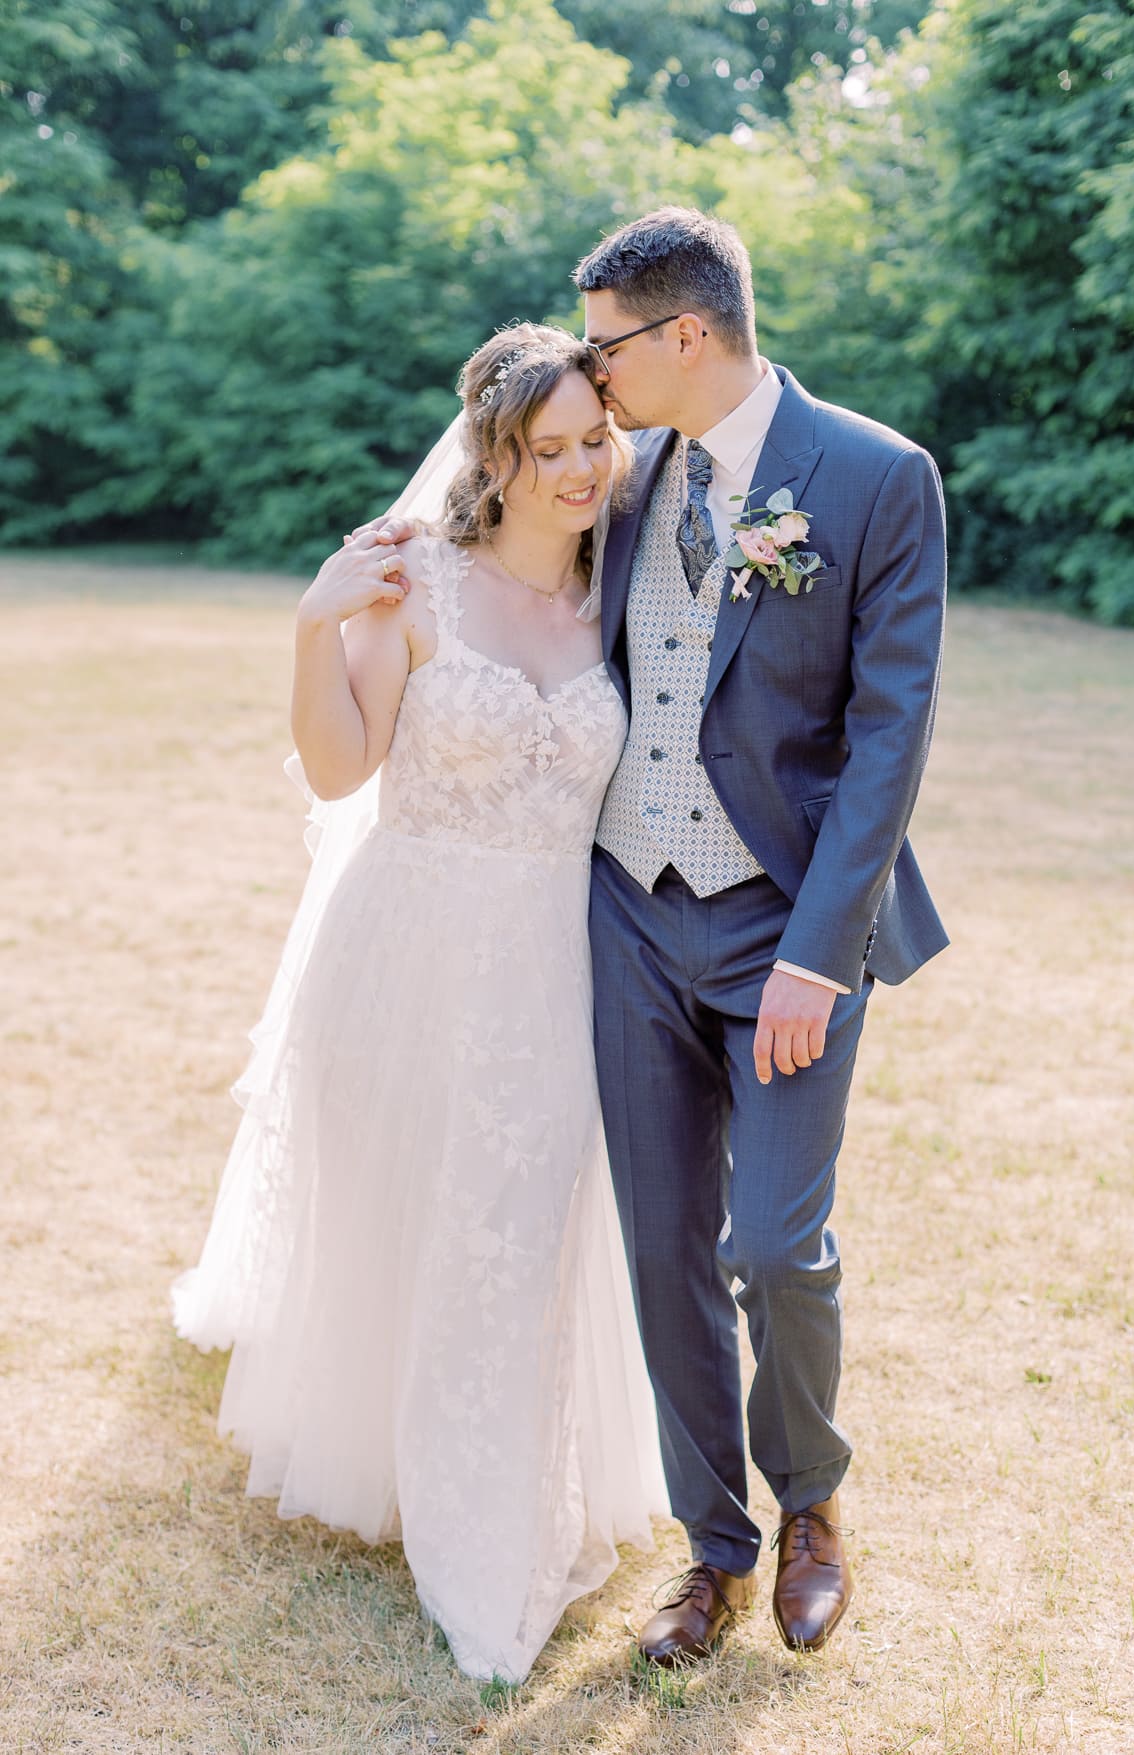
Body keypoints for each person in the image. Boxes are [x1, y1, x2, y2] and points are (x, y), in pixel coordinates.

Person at [172, 322, 667, 1685]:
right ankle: (405, 1465)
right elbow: (340, 770)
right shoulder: (418, 586)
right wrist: (312, 627)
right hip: (405, 950)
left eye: (593, 442)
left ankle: (496, 1511)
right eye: (547, 447)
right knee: (408, 1214)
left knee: (512, 1232)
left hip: (551, 964)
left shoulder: (622, 594)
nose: (578, 469)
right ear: (494, 457)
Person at [570, 207, 949, 1663]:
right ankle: (710, 1554)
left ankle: (809, 1506)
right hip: (625, 911)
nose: (590, 375)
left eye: (605, 345)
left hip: (783, 927)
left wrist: (814, 952)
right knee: (661, 1246)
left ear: (684, 335)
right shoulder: (618, 473)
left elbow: (887, 732)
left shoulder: (870, 475)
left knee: (774, 1246)